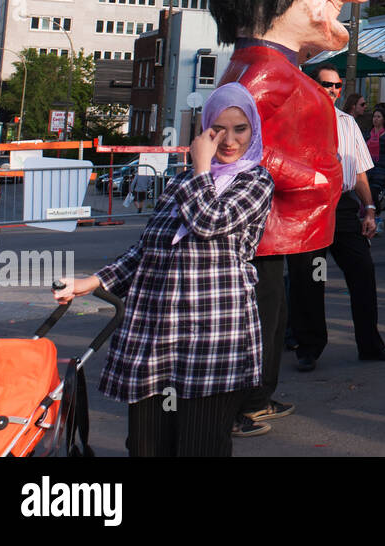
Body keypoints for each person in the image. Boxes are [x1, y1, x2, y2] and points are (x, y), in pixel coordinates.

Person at [206, 0, 367, 437]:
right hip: (260, 232)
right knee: (255, 321)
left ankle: (257, 394)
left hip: (276, 234)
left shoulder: (273, 70)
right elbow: (233, 146)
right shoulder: (262, 74)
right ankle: (240, 402)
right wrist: (315, 176)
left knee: (269, 320)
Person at [51, 84, 274, 455]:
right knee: (146, 444)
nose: (228, 140)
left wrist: (201, 167)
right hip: (157, 329)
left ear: (254, 131)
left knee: (200, 443)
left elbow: (208, 221)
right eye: (218, 129)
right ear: (205, 129)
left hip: (215, 331)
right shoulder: (182, 182)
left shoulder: (255, 180)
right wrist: (91, 283)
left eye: (240, 129)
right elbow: (146, 249)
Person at [289, 68, 385, 371]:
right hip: (310, 207)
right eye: (326, 84)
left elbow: (361, 169)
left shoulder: (347, 122)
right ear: (313, 85)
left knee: (363, 273)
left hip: (342, 205)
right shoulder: (296, 119)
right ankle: (309, 347)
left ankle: (370, 344)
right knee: (310, 279)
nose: (332, 90)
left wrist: (369, 209)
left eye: (337, 85)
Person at [364, 103, 385, 224]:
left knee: (373, 191)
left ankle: (376, 214)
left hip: (381, 170)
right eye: (374, 116)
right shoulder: (367, 134)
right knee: (367, 191)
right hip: (369, 169)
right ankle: (371, 216)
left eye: (378, 117)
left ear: (384, 119)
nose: (375, 119)